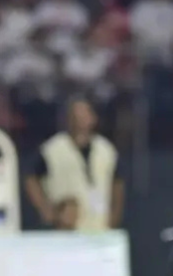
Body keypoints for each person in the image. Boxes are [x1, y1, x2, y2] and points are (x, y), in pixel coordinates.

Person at [25, 98, 124, 231]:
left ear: (93, 118)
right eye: (76, 114)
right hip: (66, 227)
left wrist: (115, 215)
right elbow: (31, 178)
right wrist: (46, 210)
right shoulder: (53, 149)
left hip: (100, 225)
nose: (80, 119)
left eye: (84, 114)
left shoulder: (105, 149)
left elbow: (117, 183)